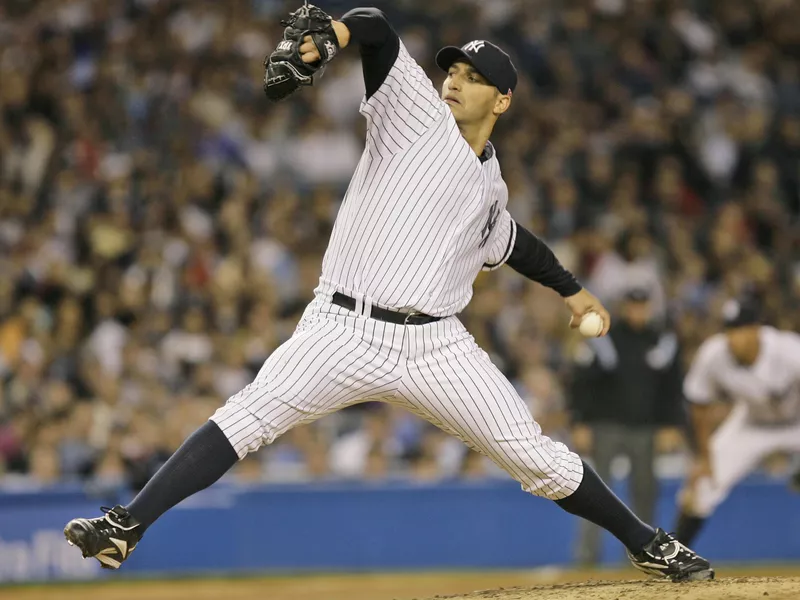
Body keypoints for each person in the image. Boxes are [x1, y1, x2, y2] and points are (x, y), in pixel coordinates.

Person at [63, 5, 712, 582]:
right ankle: (126, 524)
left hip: (437, 347)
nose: (454, 79)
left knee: (538, 460)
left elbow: (513, 241)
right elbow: (376, 27)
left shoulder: (491, 183)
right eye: (451, 71)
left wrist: (573, 293)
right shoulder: (416, 117)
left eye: (472, 77)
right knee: (249, 415)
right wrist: (339, 33)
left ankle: (649, 543)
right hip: (343, 328)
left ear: (503, 102)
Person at [569, 287, 684, 565]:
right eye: (633, 305)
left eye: (643, 305)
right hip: (606, 425)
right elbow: (582, 382)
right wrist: (580, 421)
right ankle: (587, 556)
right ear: (625, 307)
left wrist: (671, 424)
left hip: (645, 426)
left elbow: (672, 386)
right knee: (594, 493)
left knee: (645, 492)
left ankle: (642, 555)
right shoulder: (605, 337)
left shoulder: (661, 341)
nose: (638, 311)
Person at [674, 296, 800, 546]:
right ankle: (676, 558)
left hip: (796, 420)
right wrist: (704, 457)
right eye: (730, 330)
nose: (734, 338)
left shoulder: (788, 350)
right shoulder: (713, 354)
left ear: (757, 329)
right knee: (702, 486)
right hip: (751, 423)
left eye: (741, 329)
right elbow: (699, 405)